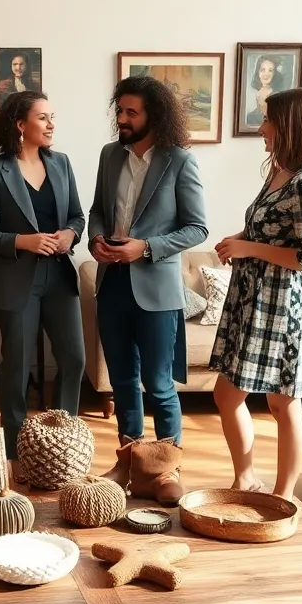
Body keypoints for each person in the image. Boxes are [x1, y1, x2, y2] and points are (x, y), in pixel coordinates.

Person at [87, 76, 208, 506]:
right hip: (112, 282)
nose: (121, 119)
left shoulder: (179, 161)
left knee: (159, 384)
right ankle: (129, 462)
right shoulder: (108, 155)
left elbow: (197, 227)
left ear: (152, 115)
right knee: (122, 382)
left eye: (130, 112)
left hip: (156, 287)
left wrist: (147, 247)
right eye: (118, 111)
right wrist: (96, 240)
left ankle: (166, 468)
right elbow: (98, 210)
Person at [209, 87, 302, 501]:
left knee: (283, 405)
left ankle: (283, 498)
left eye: (267, 120)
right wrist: (240, 239)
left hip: (284, 305)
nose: (261, 127)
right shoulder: (278, 172)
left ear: (289, 126)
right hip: (253, 298)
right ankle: (245, 478)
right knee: (226, 393)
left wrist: (249, 248)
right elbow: (273, 230)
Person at [0, 90, 86, 465]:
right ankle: (16, 452)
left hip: (59, 275)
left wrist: (70, 235)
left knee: (73, 359)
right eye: (43, 117)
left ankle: (63, 444)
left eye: (52, 116)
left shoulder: (62, 163)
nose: (51, 124)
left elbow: (77, 217)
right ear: (20, 125)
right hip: (16, 279)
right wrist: (24, 240)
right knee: (17, 369)